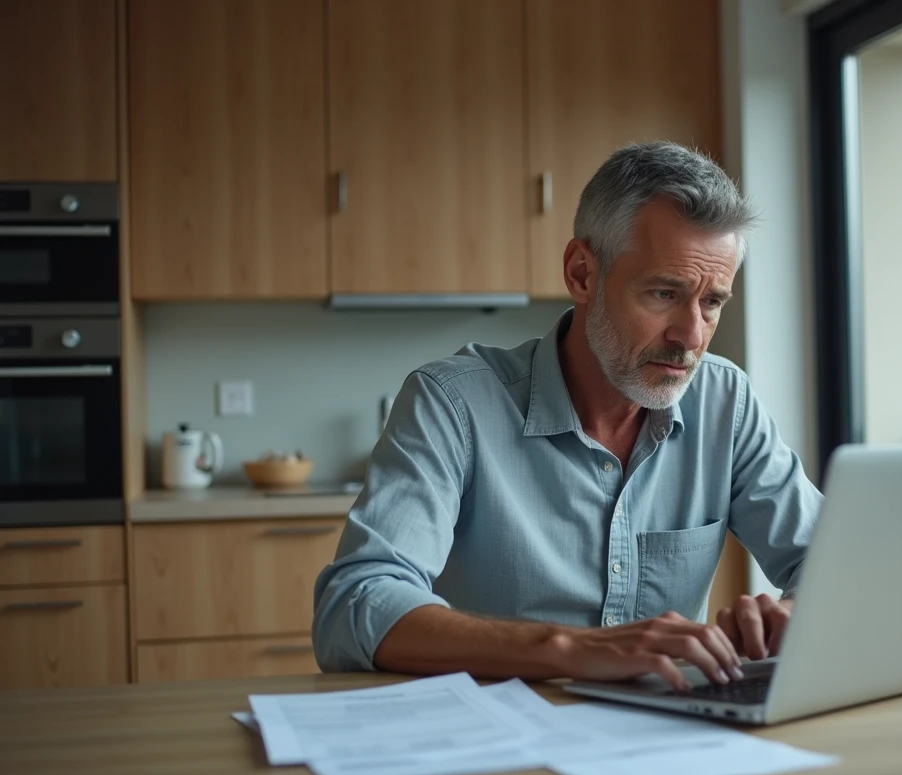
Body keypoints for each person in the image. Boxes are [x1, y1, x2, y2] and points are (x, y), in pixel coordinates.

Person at [312, 141, 822, 691]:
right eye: (663, 293)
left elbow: (837, 564)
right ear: (581, 273)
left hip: (670, 729)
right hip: (502, 730)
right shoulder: (453, 404)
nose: (690, 336)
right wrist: (570, 650)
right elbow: (354, 605)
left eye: (712, 302)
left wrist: (796, 615)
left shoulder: (725, 401)